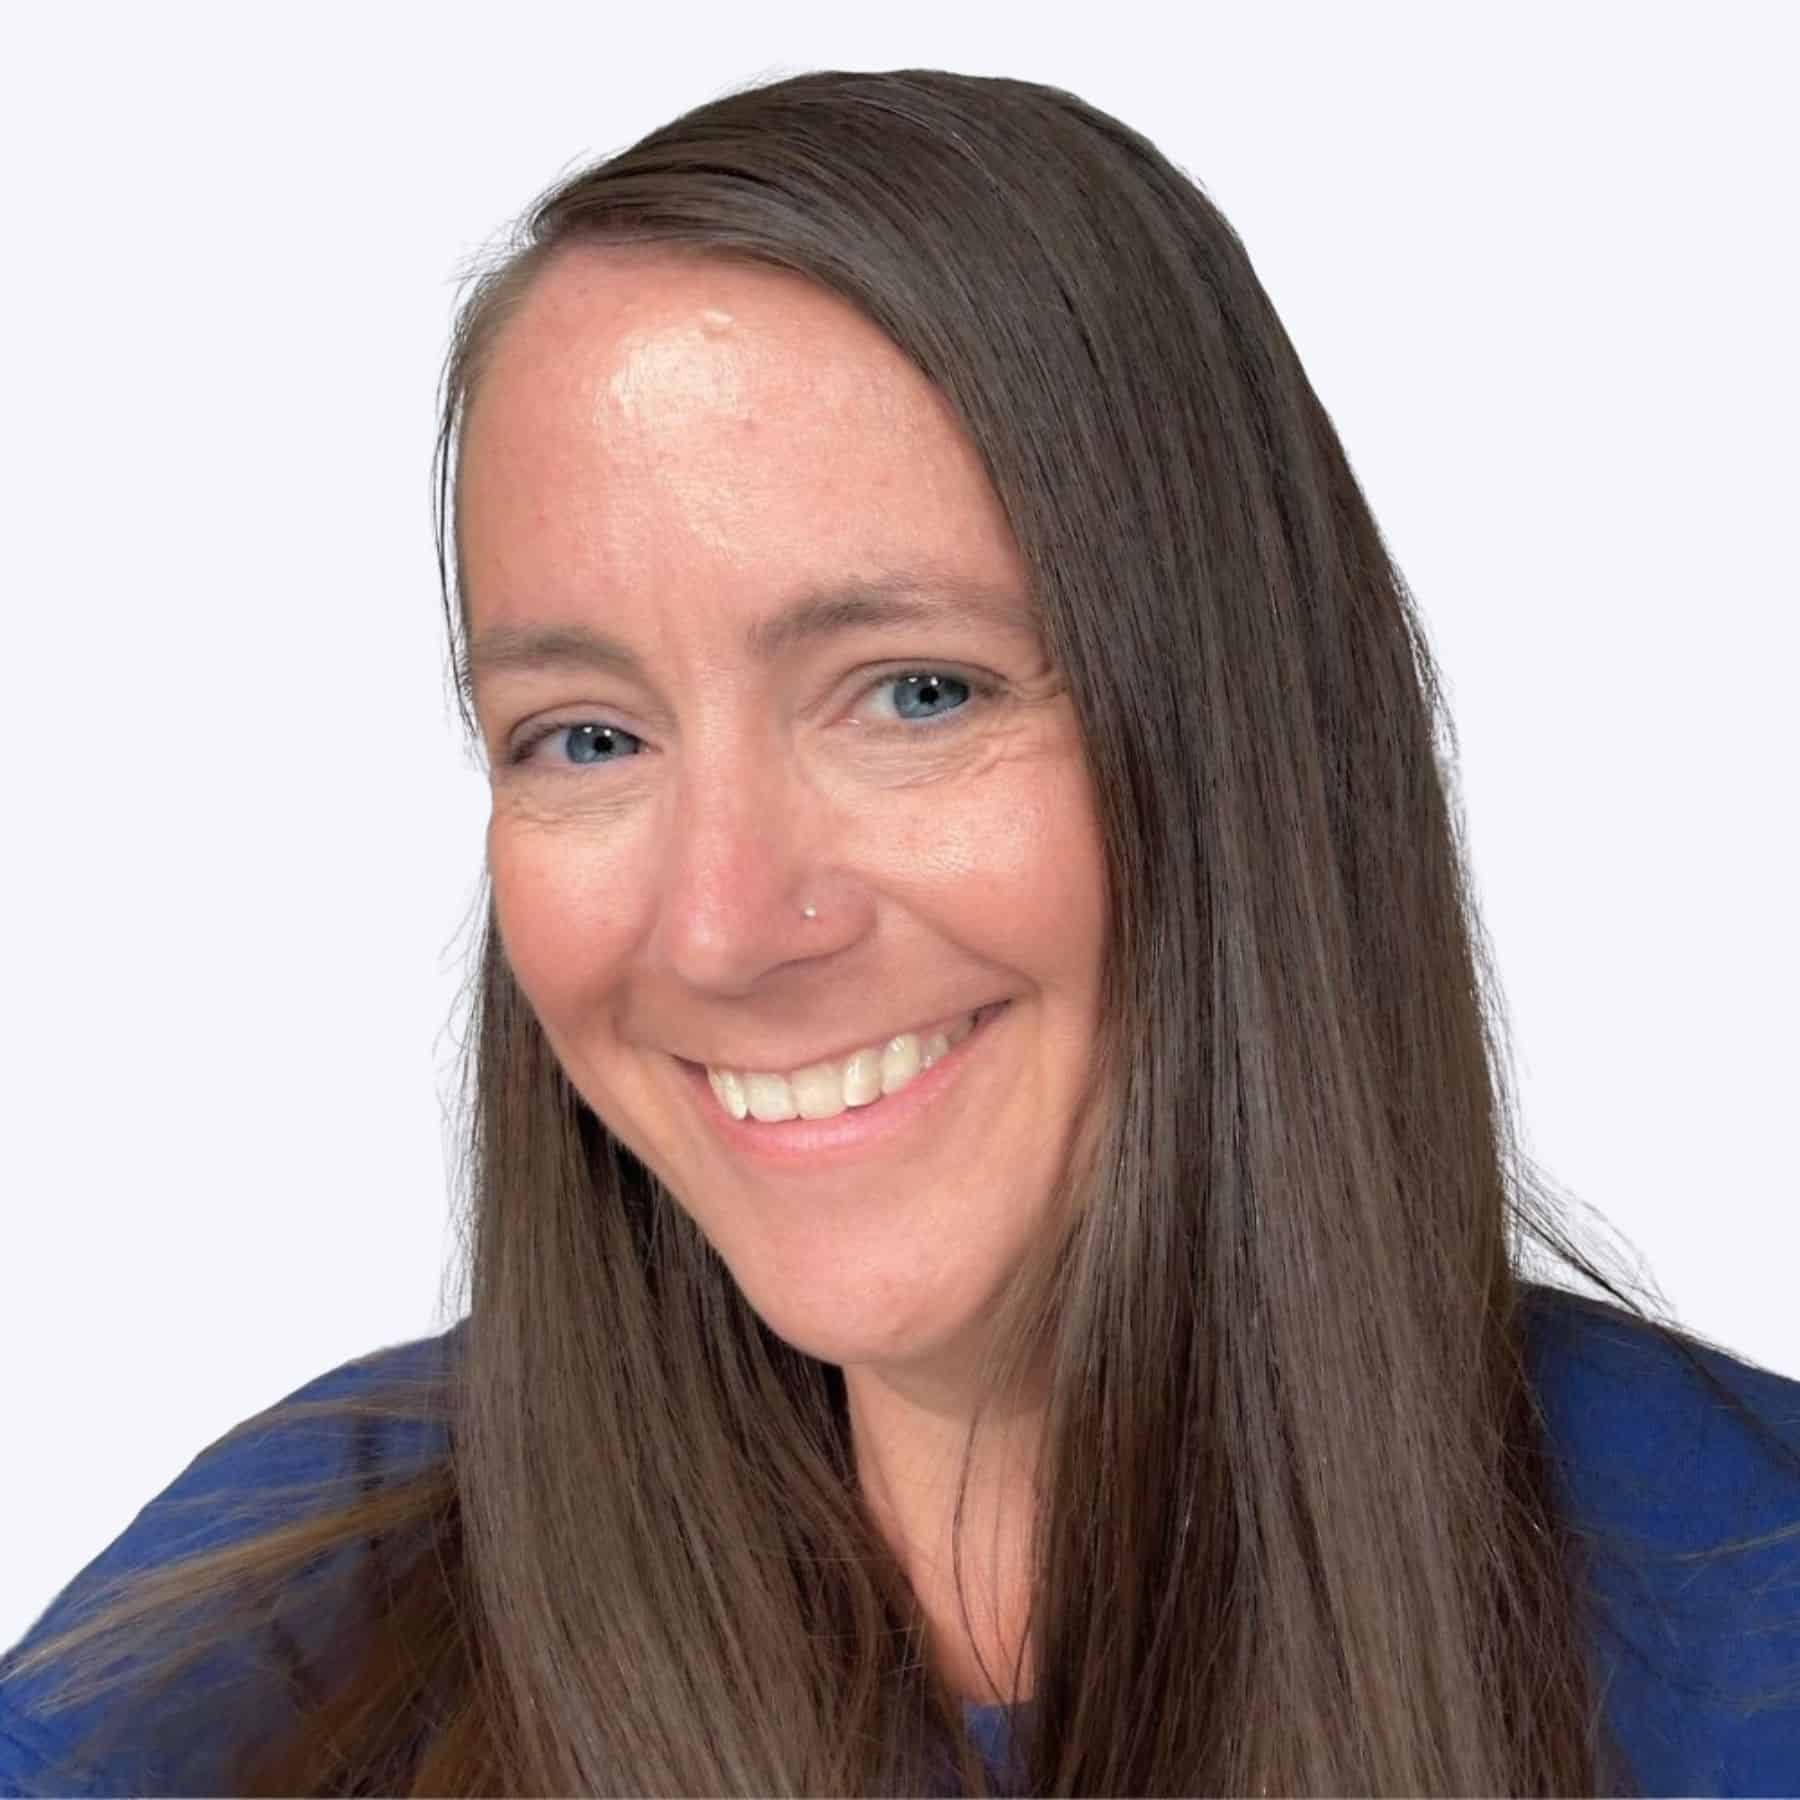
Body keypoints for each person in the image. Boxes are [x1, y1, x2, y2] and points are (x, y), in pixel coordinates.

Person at [4, 65, 1798, 1798]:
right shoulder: (270, 1628)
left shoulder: (1750, 1625)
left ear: (1248, 732)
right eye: (590, 737)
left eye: (916, 693)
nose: (718, 926)